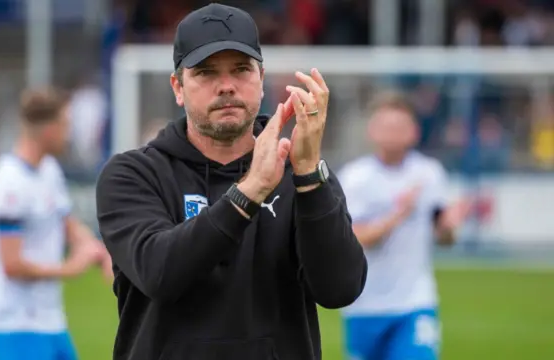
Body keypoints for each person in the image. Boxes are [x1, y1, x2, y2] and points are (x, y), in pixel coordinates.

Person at [95, 3, 367, 360]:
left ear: (261, 78)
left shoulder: (301, 173)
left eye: (240, 69)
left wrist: (309, 177)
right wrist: (251, 190)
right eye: (206, 73)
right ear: (178, 87)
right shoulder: (133, 174)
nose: (226, 86)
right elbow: (160, 273)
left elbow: (340, 289)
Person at [337, 91, 472, 360]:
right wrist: (397, 215)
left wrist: (449, 226)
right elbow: (355, 239)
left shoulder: (429, 173)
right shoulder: (355, 178)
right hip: (365, 306)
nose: (393, 133)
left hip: (415, 302)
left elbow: (444, 239)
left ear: (414, 132)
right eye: (386, 126)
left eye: (400, 127)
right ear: (372, 131)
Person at [0, 87, 113, 360]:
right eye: (65, 125)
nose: (69, 133)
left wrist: (102, 253)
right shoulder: (8, 183)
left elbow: (69, 225)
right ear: (49, 130)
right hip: (17, 327)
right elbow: (11, 265)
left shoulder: (49, 170)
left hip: (52, 322)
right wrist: (70, 269)